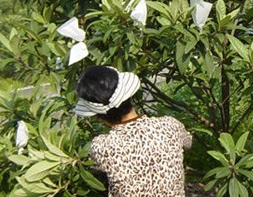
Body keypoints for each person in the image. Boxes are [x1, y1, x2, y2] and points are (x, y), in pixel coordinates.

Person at [75, 65, 192, 197]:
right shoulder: (171, 125)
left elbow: (91, 167)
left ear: (96, 116)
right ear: (129, 96)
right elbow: (188, 143)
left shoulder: (101, 147)